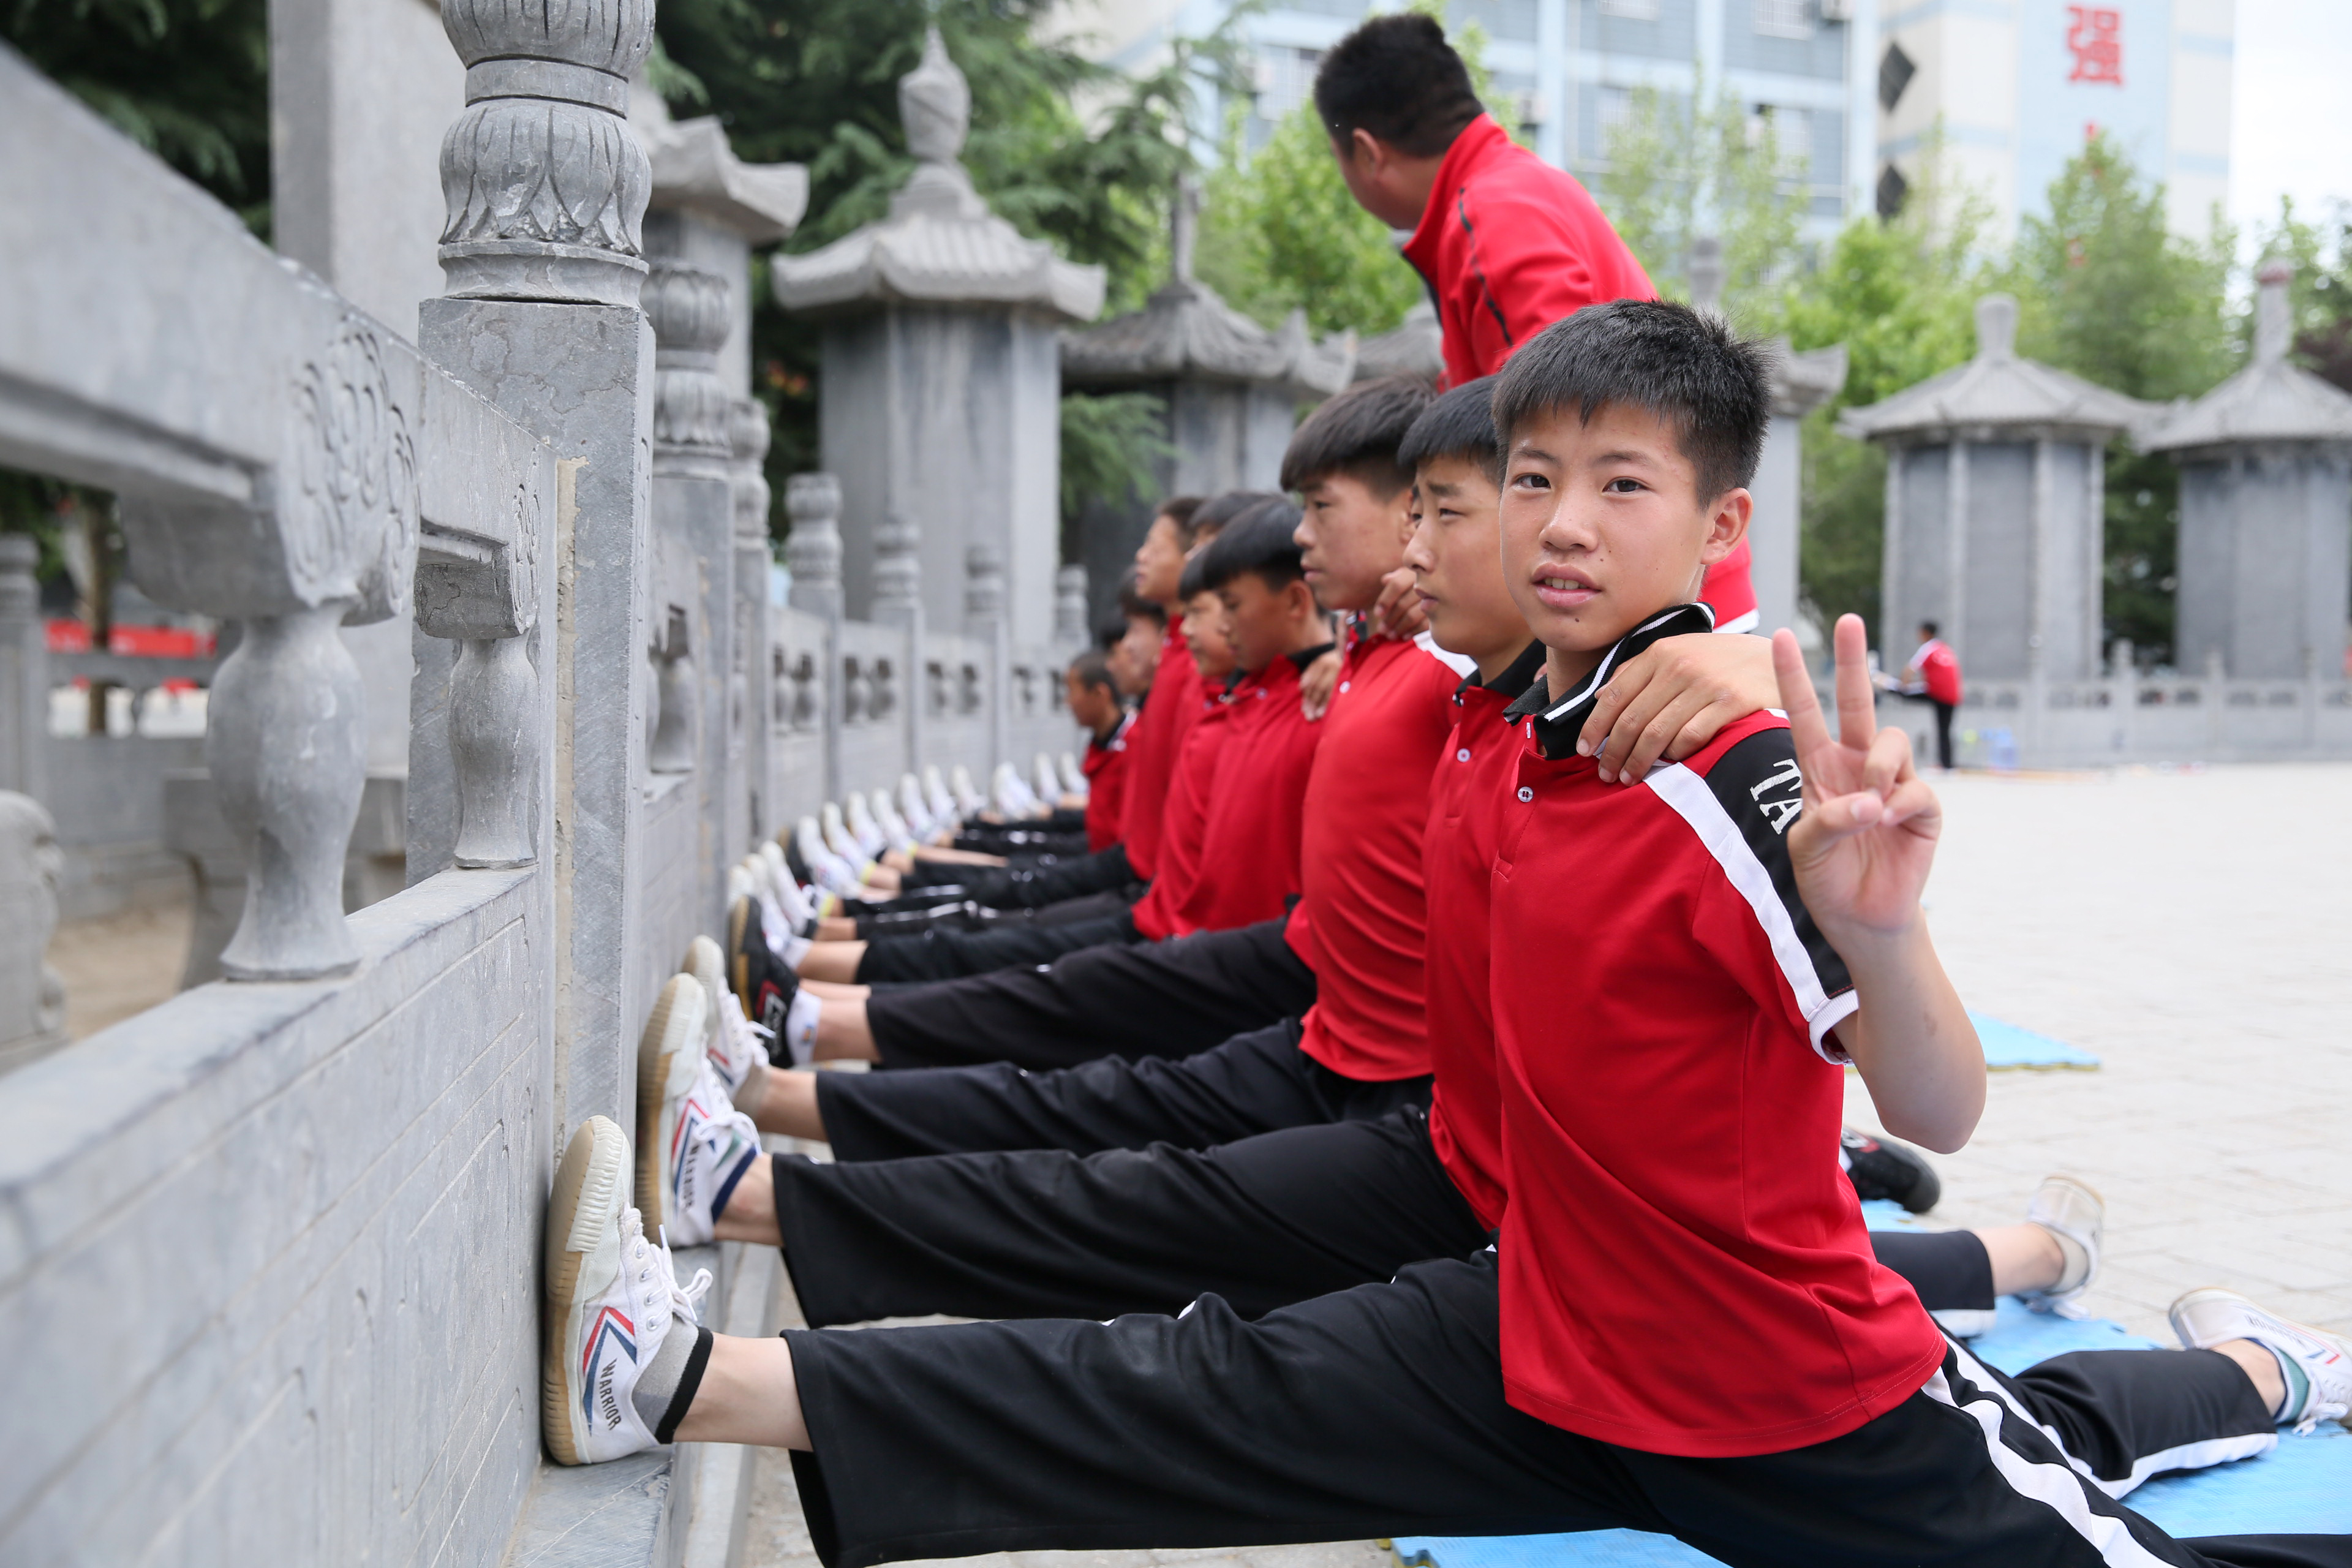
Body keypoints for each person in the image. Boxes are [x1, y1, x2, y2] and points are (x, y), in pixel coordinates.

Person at [544, 305, 2350, 1568]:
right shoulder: (1506, 718)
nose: (1555, 523)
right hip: (1540, 1323)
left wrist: (1879, 924)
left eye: (1615, 485)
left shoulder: (1724, 767)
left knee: (2079, 1508)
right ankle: (672, 1376)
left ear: (1716, 523)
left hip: (1766, 1387)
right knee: (1178, 1383)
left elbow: (1936, 1101)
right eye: (1525, 478)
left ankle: (2258, 1369)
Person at [1312, 12, 1758, 635]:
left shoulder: (1493, 214)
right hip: (1656, 584)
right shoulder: (1513, 190)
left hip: (1648, 604)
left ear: (1366, 152)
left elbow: (1558, 422)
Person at [1065, 649, 1134, 853]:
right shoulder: (1101, 744)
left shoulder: (1133, 746)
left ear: (1099, 694)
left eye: (1072, 692)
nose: (1068, 702)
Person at [1888, 619, 1964, 770]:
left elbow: (1910, 669)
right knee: (1944, 730)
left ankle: (1885, 684)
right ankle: (1947, 764)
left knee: (1899, 691)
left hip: (1937, 692)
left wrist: (1902, 685)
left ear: (1925, 633)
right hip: (1953, 695)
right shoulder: (1945, 648)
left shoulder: (1929, 648)